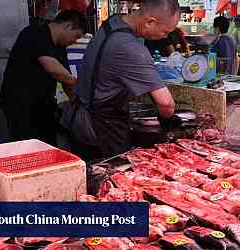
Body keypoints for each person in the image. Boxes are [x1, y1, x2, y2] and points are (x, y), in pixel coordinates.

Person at [71, 0, 181, 160]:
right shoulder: (130, 47)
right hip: (100, 128)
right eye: (165, 32)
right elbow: (166, 104)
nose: (165, 37)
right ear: (150, 22)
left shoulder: (113, 22)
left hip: (80, 115)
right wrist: (167, 122)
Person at [0, 10, 86, 145]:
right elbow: (53, 68)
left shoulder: (60, 46)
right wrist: (78, 84)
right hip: (20, 103)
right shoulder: (35, 33)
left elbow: (65, 80)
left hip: (43, 102)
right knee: (27, 146)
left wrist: (79, 103)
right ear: (68, 26)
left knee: (48, 145)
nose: (74, 41)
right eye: (76, 36)